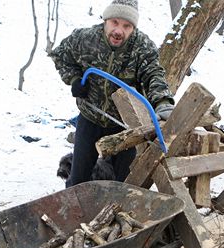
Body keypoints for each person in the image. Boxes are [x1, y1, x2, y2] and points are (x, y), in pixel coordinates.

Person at [50, 0, 175, 188]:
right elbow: (61, 56)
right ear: (106, 20)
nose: (119, 31)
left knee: (124, 181)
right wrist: (74, 79)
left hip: (124, 122)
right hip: (90, 117)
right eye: (115, 23)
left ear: (133, 28)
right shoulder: (85, 39)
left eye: (126, 26)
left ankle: (114, 214)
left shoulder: (142, 46)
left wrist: (163, 102)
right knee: (78, 179)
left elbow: (153, 74)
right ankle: (75, 214)